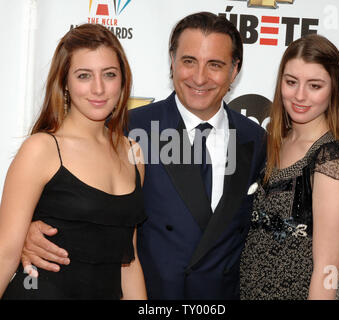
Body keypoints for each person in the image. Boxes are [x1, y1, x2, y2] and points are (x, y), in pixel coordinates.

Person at [20, 12, 266, 299]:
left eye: (215, 65)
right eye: (189, 61)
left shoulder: (257, 140)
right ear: (172, 61)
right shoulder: (128, 130)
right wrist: (27, 230)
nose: (200, 77)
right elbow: (71, 199)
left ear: (234, 70)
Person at [0, 23, 147, 299]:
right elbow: (5, 253)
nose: (99, 88)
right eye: (84, 75)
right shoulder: (42, 148)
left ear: (123, 80)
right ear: (65, 82)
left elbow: (128, 261)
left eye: (109, 74)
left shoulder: (134, 154)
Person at [239, 34, 339, 300]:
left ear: (334, 90)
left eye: (315, 85)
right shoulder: (275, 142)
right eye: (291, 82)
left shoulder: (332, 158)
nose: (300, 96)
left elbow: (327, 267)